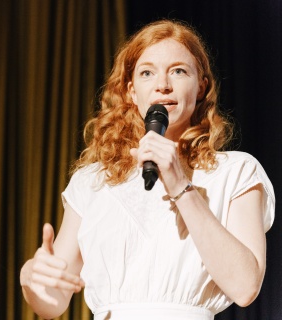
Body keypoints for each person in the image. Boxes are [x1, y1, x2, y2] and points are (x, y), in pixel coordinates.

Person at [19, 19, 275, 320]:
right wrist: (32, 277)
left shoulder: (236, 172)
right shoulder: (93, 181)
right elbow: (53, 301)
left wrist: (181, 185)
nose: (162, 84)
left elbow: (245, 287)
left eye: (179, 71)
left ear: (202, 86)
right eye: (146, 72)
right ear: (130, 91)